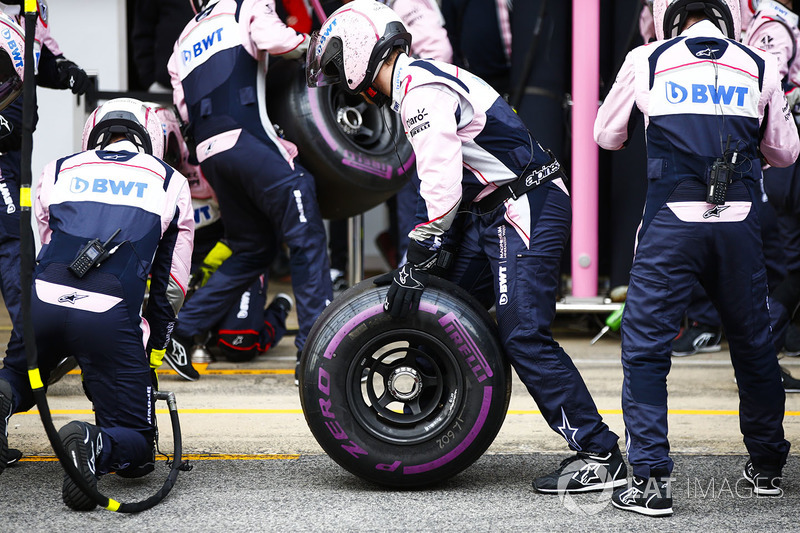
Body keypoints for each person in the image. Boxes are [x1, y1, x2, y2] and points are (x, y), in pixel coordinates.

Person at [308, 0, 626, 495]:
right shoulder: (417, 85)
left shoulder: (419, 92)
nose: (339, 80)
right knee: (441, 310)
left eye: (335, 67)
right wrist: (426, 255)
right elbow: (450, 184)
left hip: (525, 204)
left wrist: (421, 245)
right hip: (492, 208)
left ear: (357, 54)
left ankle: (600, 452)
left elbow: (439, 184)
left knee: (521, 332)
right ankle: (425, 427)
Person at [596, 0, 797, 516]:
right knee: (753, 346)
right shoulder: (759, 64)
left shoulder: (648, 59)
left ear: (671, 17)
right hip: (739, 224)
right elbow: (785, 153)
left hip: (671, 225)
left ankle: (651, 482)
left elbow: (605, 136)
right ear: (727, 18)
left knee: (645, 350)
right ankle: (768, 467)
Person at [0, 98, 194, 512]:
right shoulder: (170, 182)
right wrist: (154, 351)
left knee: (18, 374)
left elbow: (47, 242)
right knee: (138, 449)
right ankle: (92, 443)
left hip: (45, 299)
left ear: (94, 131)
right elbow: (171, 286)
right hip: (108, 316)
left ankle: (2, 400)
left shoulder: (59, 168)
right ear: (152, 137)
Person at [168, 0, 333, 384]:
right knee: (304, 222)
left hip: (209, 154)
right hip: (247, 140)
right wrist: (320, 46)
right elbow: (280, 42)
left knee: (253, 247)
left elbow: (183, 109)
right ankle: (315, 351)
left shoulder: (183, 38)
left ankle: (181, 331)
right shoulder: (244, 6)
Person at [0, 0, 91, 470]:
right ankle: (32, 361)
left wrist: (68, 72)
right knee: (16, 256)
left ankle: (25, 368)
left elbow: (41, 64)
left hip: (13, 157)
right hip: (2, 159)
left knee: (20, 258)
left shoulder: (29, 20)